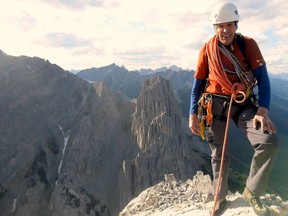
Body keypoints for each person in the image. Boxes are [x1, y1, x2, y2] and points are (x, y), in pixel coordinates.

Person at [188, 2, 279, 216]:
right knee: (218, 154)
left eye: (229, 25)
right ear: (214, 27)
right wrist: (192, 114)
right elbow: (197, 86)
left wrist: (262, 111)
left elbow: (263, 80)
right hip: (213, 104)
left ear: (236, 25)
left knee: (268, 141)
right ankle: (219, 198)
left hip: (241, 104)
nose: (225, 30)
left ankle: (252, 192)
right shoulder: (207, 50)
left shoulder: (248, 45)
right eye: (220, 26)